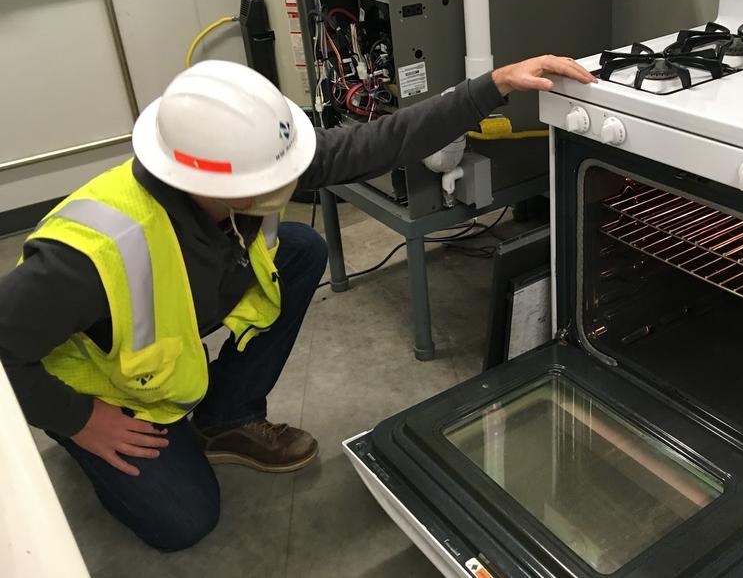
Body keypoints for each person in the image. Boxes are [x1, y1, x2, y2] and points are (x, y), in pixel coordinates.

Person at [0, 55, 595, 551]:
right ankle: (88, 448)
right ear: (209, 181)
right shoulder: (90, 256)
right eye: (274, 176)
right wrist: (78, 420)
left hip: (162, 359)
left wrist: (489, 87)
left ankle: (225, 419)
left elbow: (376, 144)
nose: (292, 180)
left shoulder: (233, 178)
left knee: (300, 249)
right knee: (184, 523)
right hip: (108, 394)